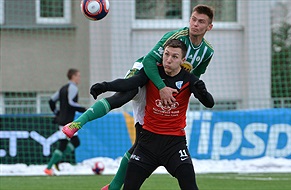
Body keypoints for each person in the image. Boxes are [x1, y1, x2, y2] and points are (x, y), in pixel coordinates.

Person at [63, 4, 214, 189]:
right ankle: (78, 122)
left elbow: (194, 76)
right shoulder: (175, 37)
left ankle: (113, 187)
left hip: (164, 88)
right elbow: (150, 60)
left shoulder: (207, 51)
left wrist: (182, 92)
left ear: (209, 27)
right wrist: (161, 86)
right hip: (146, 71)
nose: (195, 24)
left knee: (141, 141)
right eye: (193, 19)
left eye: (201, 22)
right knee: (126, 93)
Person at [87, 39, 214, 189]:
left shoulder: (189, 79)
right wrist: (105, 86)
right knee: (129, 187)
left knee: (190, 187)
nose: (168, 60)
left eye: (174, 57)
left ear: (182, 60)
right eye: (166, 54)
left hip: (174, 144)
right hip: (147, 143)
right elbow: (129, 83)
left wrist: (203, 93)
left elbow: (209, 103)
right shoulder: (152, 73)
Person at [44, 68, 86, 176]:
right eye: (78, 76)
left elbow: (51, 101)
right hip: (67, 121)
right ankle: (49, 167)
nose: (79, 78)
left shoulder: (63, 88)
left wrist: (57, 112)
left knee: (74, 142)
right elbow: (70, 103)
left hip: (63, 120)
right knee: (64, 144)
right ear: (73, 76)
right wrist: (84, 109)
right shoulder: (73, 88)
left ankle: (56, 161)